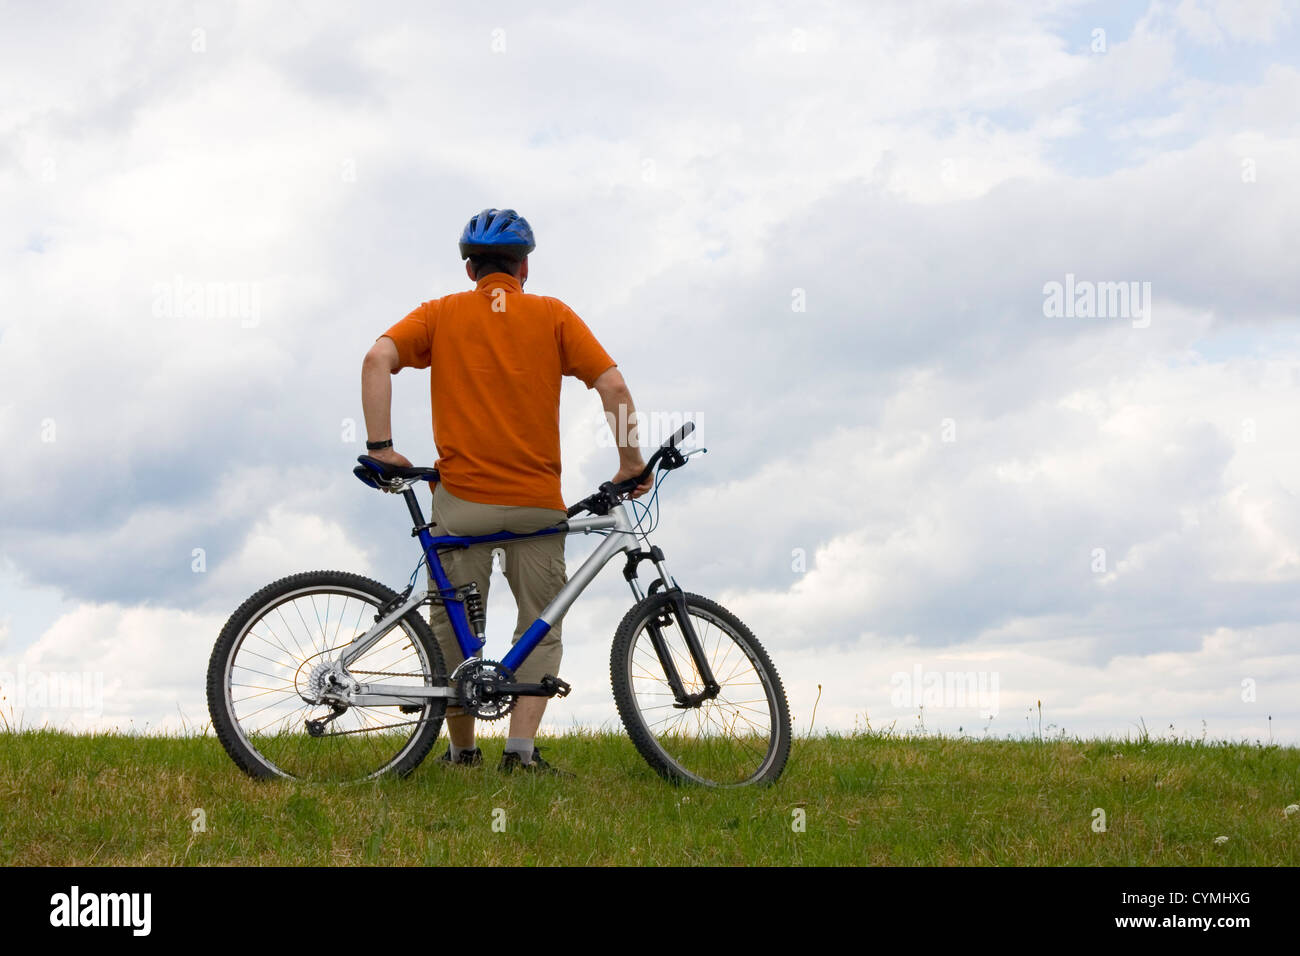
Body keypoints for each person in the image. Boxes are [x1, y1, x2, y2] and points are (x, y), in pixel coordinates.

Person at [360, 208, 651, 775]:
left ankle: (462, 752)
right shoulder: (552, 315)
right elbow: (612, 385)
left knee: (453, 625)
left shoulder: (440, 314)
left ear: (470, 268)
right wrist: (629, 462)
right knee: (540, 622)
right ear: (524, 267)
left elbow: (377, 358)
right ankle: (519, 754)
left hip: (461, 503)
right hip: (535, 505)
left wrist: (381, 447)